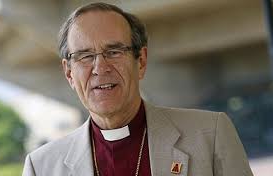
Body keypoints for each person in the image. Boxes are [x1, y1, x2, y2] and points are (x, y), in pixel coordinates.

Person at [22, 2, 253, 176]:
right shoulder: (41, 167)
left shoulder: (209, 135)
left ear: (140, 61)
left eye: (114, 52)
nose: (100, 68)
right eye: (85, 56)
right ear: (69, 73)